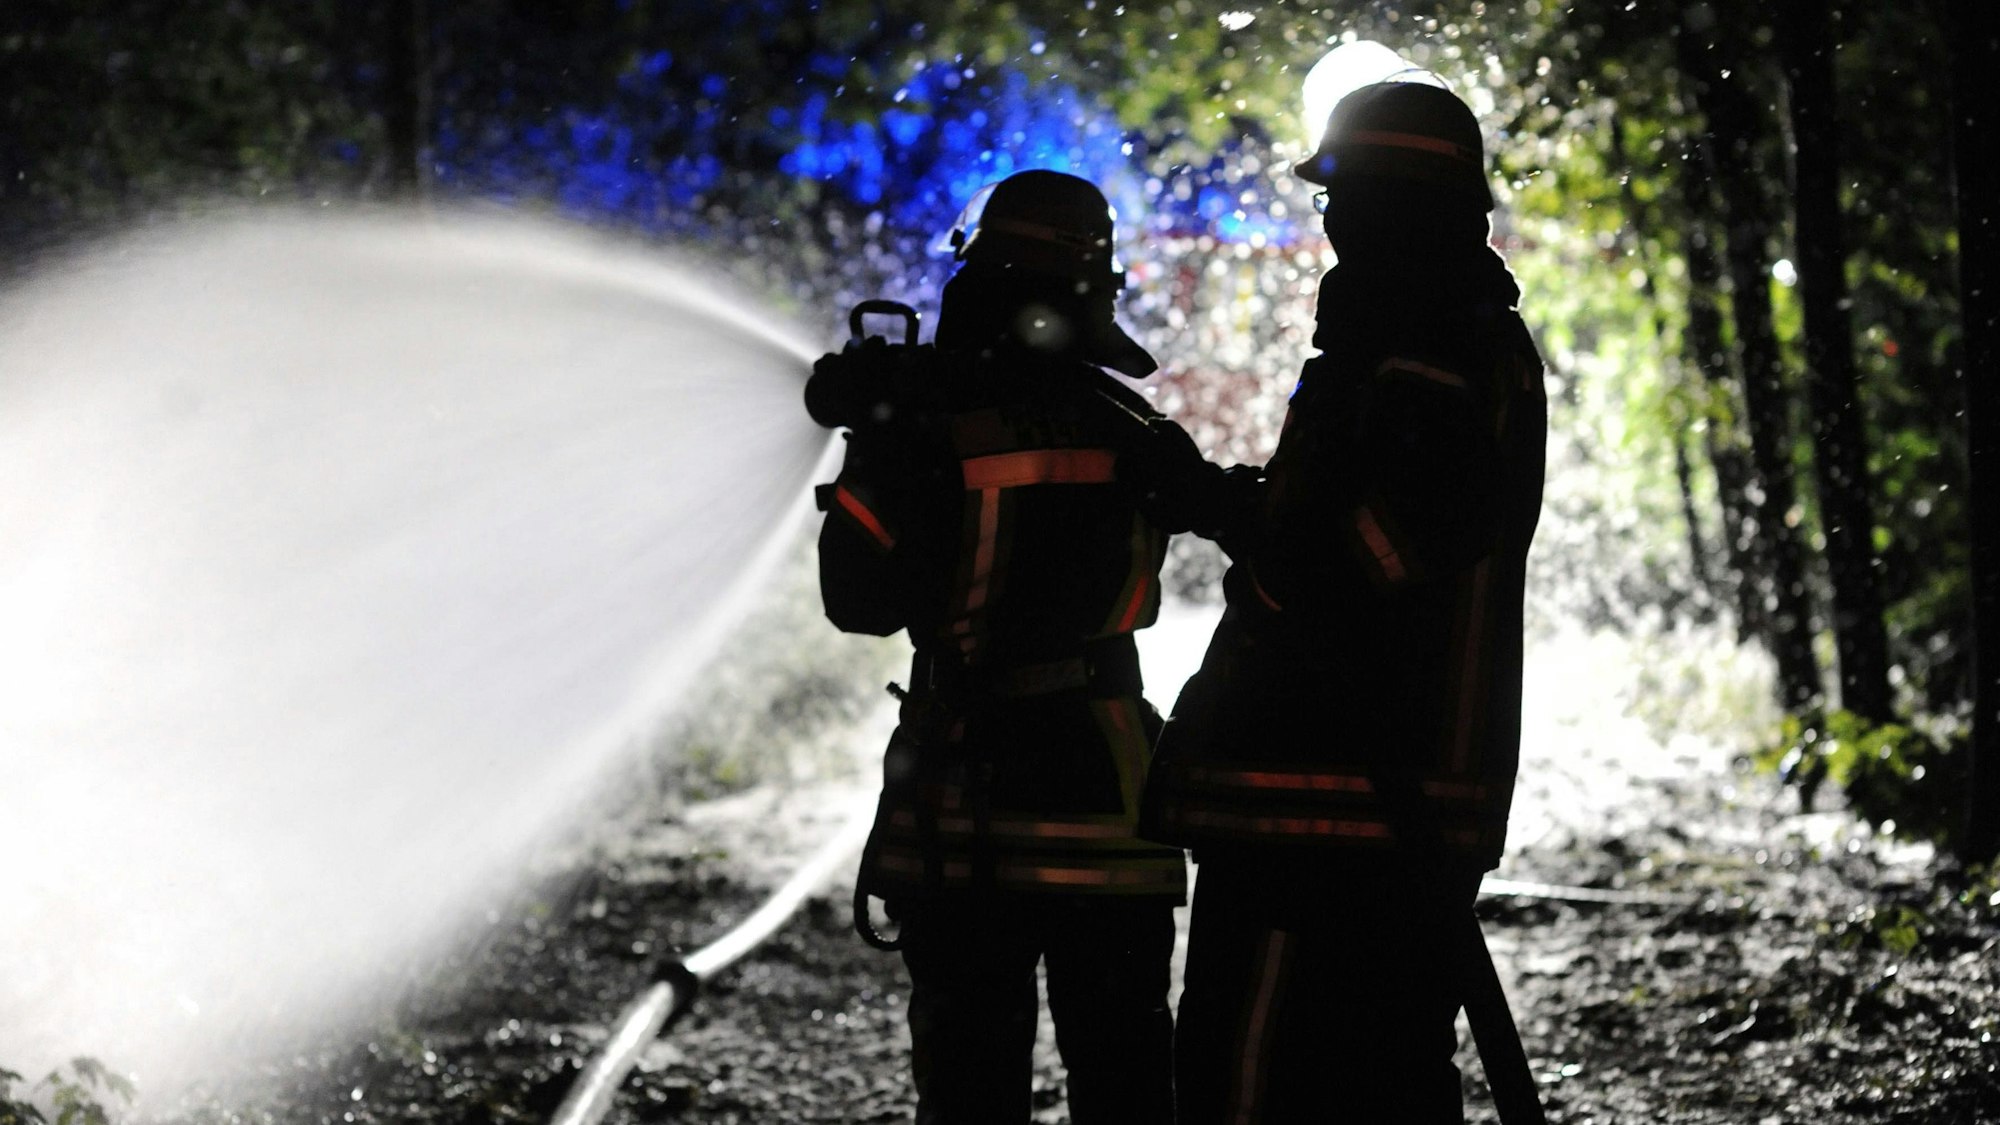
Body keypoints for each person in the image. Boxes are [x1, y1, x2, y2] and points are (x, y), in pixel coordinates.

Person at [1138, 80, 1548, 1122]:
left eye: (1342, 200)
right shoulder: (1413, 345)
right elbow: (1342, 525)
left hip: (1336, 804)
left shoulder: (1433, 357)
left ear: (1397, 205)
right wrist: (1224, 497)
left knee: (1253, 1082)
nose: (1327, 226)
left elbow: (1352, 561)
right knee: (1381, 1083)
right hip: (1352, 806)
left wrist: (1224, 516)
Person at [806, 169, 1230, 1125]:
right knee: (1126, 1081)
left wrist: (872, 445)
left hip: (968, 809)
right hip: (1111, 801)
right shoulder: (1135, 429)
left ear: (979, 276)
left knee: (969, 1090)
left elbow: (857, 601)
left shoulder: (923, 427)